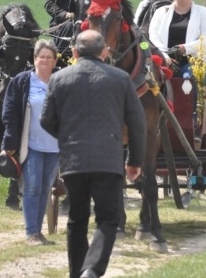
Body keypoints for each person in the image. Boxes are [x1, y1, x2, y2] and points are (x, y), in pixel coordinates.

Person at [41, 30, 146, 278]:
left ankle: (78, 273)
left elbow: (46, 120)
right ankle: (92, 269)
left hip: (73, 162)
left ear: (74, 53)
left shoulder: (59, 79)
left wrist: (67, 139)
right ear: (105, 52)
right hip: (108, 161)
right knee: (108, 219)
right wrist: (134, 161)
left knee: (76, 220)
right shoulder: (121, 79)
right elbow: (137, 122)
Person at [1, 40, 60, 246]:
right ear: (34, 59)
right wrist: (10, 142)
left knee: (45, 189)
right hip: (31, 146)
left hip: (55, 147)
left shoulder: (60, 82)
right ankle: (31, 233)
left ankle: (38, 232)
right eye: (41, 57)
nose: (45, 60)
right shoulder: (22, 81)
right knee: (32, 188)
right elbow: (9, 112)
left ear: (55, 61)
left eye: (49, 57)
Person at [149, 0, 206, 95]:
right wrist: (165, 57)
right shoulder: (160, 12)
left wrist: (184, 48)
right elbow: (153, 36)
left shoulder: (204, 13)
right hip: (164, 61)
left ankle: (189, 107)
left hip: (196, 61)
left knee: (188, 78)